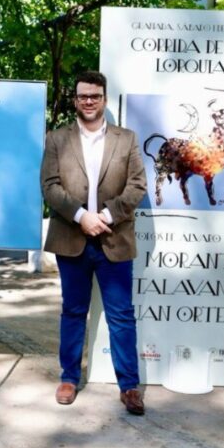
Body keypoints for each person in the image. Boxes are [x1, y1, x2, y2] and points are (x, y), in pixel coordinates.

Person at [40, 70, 149, 415]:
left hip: (113, 238)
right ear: (75, 99)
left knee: (121, 315)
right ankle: (69, 377)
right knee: (73, 311)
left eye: (95, 96)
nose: (89, 101)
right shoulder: (57, 139)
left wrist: (104, 216)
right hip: (71, 239)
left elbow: (137, 186)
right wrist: (80, 216)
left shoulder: (126, 139)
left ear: (104, 99)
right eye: (83, 95)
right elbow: (50, 186)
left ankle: (129, 386)